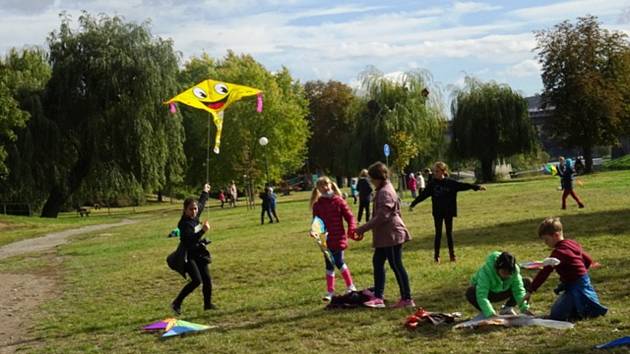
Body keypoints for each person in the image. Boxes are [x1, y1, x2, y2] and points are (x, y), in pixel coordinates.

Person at [524, 217, 607, 321]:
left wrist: (530, 290)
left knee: (556, 315)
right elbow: (587, 259)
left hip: (576, 286)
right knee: (573, 307)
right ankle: (579, 310)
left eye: (546, 239)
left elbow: (545, 272)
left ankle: (583, 311)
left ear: (556, 235)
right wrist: (583, 269)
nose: (545, 242)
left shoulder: (559, 252)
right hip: (583, 281)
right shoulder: (572, 243)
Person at [355, 162, 414, 309]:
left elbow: (382, 216)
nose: (371, 181)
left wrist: (362, 228)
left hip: (392, 235)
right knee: (378, 262)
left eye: (372, 178)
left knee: (396, 265)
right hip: (385, 236)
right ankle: (378, 297)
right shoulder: (383, 189)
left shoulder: (385, 192)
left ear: (378, 178)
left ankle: (407, 298)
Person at [409, 161, 486, 263]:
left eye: (437, 171)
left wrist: (477, 187)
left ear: (443, 171)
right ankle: (436, 256)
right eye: (434, 171)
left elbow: (463, 185)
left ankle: (452, 255)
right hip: (437, 212)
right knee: (438, 233)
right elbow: (423, 195)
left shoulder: (450, 183)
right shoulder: (432, 184)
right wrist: (413, 204)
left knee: (449, 233)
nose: (435, 173)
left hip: (448, 211)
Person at [310, 176, 358, 301]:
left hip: (339, 237)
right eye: (321, 186)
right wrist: (314, 231)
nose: (325, 188)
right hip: (325, 240)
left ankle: (351, 286)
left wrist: (351, 228)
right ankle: (330, 291)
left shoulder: (339, 201)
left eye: (326, 185)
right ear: (318, 189)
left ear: (331, 185)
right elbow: (316, 221)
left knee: (338, 261)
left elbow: (350, 217)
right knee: (329, 264)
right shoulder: (317, 205)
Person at [170, 183, 215, 314]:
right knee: (196, 280)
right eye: (191, 209)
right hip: (188, 255)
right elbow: (190, 240)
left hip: (199, 252)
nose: (194, 211)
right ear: (185, 210)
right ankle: (176, 303)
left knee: (207, 279)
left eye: (195, 209)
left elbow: (201, 203)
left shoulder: (195, 215)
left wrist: (205, 191)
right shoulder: (184, 224)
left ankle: (207, 304)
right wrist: (203, 231)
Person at [466, 251, 532, 319]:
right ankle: (485, 312)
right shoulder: (485, 272)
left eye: (509, 273)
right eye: (503, 272)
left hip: (504, 291)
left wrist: (524, 308)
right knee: (471, 291)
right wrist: (490, 314)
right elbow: (482, 296)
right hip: (489, 294)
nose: (506, 275)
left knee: (527, 282)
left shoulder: (514, 273)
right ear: (497, 268)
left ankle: (507, 308)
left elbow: (518, 291)